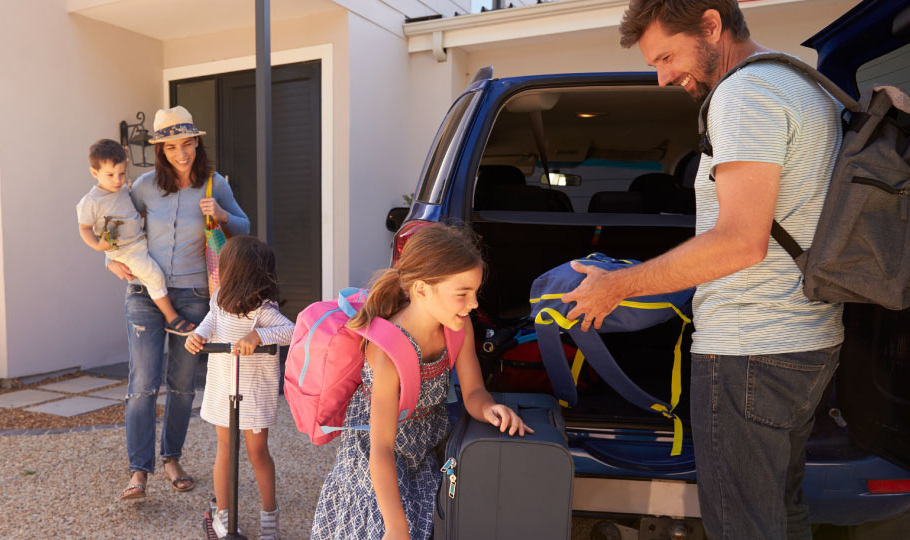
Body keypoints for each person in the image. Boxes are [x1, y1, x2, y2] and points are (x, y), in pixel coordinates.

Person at [561, 1, 844, 538]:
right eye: (655, 64)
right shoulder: (804, 83)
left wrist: (617, 286)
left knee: (742, 525)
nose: (665, 77)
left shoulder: (744, 94)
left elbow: (740, 242)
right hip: (809, 339)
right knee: (783, 511)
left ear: (712, 26)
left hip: (748, 349)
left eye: (667, 56)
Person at [311, 223, 533, 540]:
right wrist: (395, 526)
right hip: (376, 454)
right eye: (463, 294)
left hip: (423, 446)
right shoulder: (387, 353)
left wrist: (489, 410)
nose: (473, 304)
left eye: (475, 292)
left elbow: (473, 391)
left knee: (434, 521)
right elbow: (381, 448)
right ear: (421, 290)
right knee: (391, 526)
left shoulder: (459, 326)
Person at [111, 105, 250, 501]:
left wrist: (222, 214)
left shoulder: (213, 182)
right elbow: (117, 226)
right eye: (172, 147)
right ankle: (139, 471)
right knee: (142, 382)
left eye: (187, 144)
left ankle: (171, 458)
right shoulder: (142, 187)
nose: (182, 154)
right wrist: (111, 260)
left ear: (196, 143)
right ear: (161, 150)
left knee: (183, 384)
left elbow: (244, 226)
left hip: (194, 296)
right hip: (143, 293)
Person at [185, 235, 294, 540]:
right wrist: (198, 335)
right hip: (224, 388)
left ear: (236, 270)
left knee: (258, 453)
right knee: (224, 451)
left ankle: (269, 520)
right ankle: (223, 515)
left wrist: (258, 335)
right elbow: (210, 321)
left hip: (253, 393)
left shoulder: (263, 308)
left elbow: (292, 330)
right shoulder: (219, 297)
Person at [77, 139, 196, 335]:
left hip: (140, 240)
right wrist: (100, 247)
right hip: (125, 250)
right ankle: (172, 317)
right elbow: (85, 228)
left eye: (122, 173)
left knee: (156, 270)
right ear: (94, 173)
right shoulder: (92, 201)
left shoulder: (123, 190)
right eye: (110, 175)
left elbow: (133, 211)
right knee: (153, 275)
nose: (117, 180)